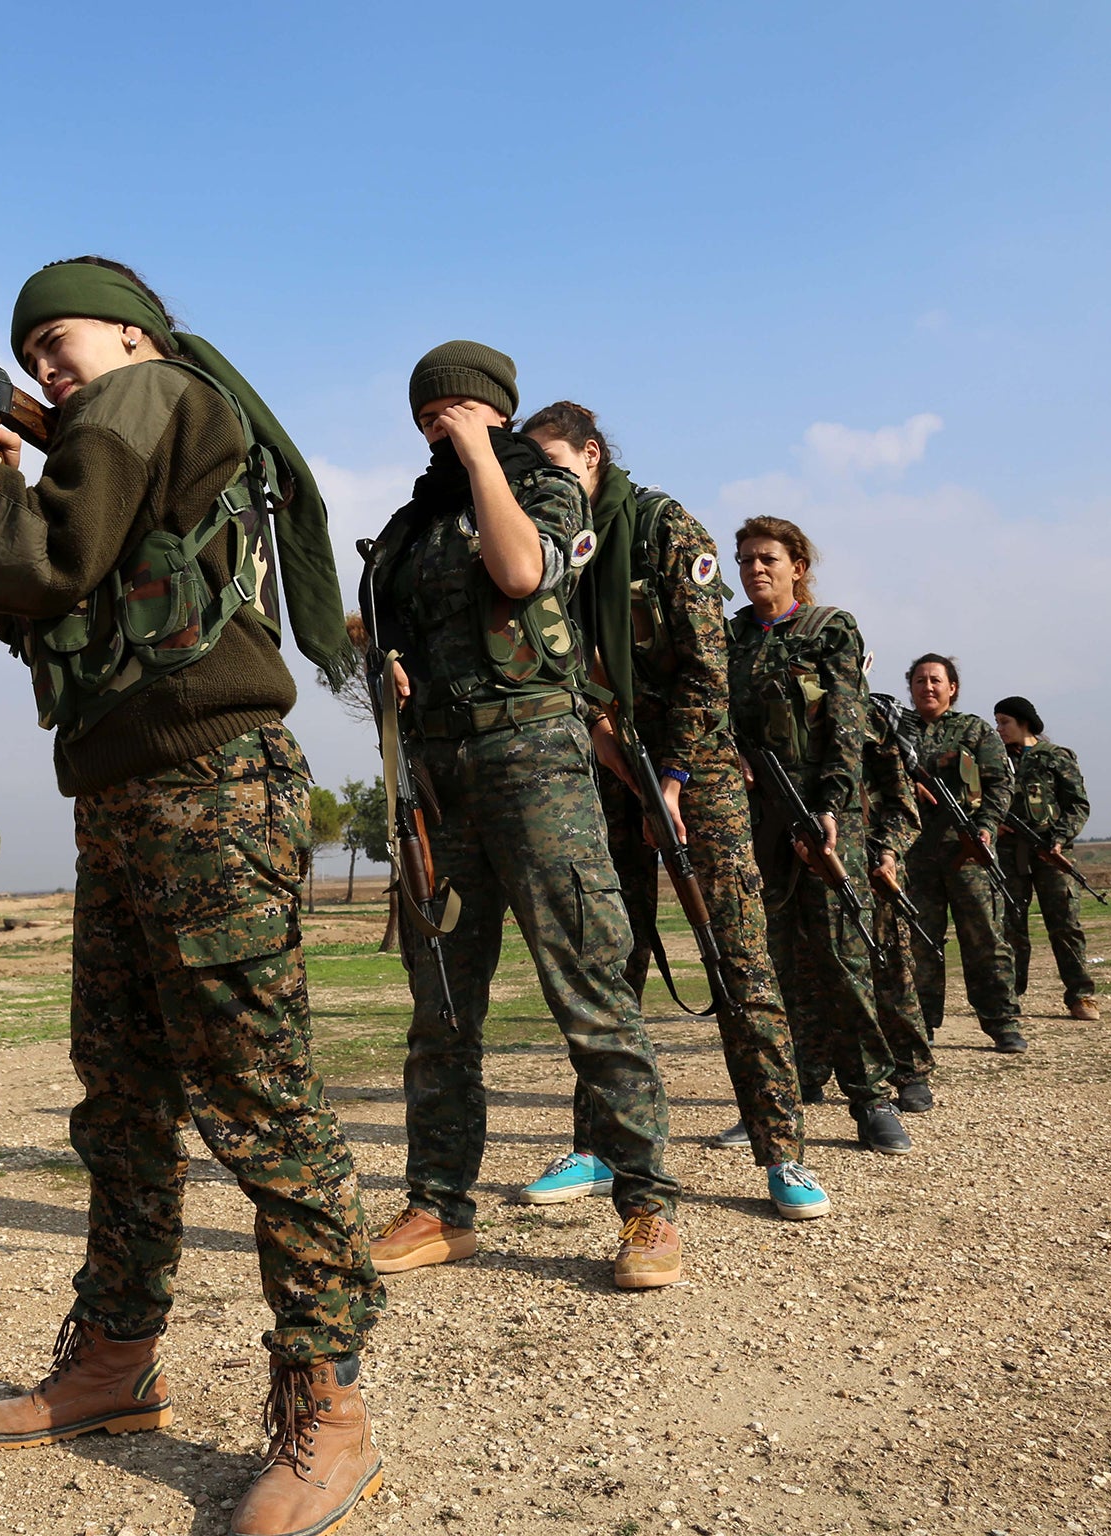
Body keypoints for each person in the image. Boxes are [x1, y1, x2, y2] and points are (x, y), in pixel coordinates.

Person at [0, 257, 384, 1536]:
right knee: (126, 1097)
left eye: (61, 334)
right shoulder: (120, 427)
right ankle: (115, 1363)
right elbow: (51, 606)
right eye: (27, 346)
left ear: (136, 333)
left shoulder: (146, 395)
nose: (45, 359)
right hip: (127, 794)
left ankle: (329, 1401)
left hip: (206, 785)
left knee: (260, 1104)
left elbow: (40, 564)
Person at [360, 345, 684, 1288]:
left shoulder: (544, 486)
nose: (439, 418)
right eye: (427, 409)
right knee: (442, 1007)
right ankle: (438, 1205)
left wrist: (484, 461)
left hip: (536, 765)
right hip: (439, 776)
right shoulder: (411, 522)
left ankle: (648, 1207)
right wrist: (390, 673)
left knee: (589, 989)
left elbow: (519, 574)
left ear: (496, 409)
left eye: (457, 405)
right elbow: (386, 631)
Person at [515, 402, 829, 1221]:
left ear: (592, 455)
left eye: (553, 465)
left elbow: (706, 668)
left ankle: (780, 1152)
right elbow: (549, 661)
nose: (542, 483)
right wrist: (600, 734)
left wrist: (677, 780)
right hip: (605, 769)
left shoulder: (663, 527)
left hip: (700, 775)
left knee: (738, 963)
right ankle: (597, 1146)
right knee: (603, 969)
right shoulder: (552, 543)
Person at [727, 518, 911, 1155]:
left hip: (824, 814)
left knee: (842, 954)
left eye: (769, 558)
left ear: (797, 566)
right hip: (758, 816)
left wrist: (831, 805)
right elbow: (713, 713)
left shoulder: (830, 627)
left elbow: (846, 722)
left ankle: (872, 1098)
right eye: (746, 559)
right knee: (766, 964)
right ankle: (777, 1101)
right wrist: (733, 757)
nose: (755, 569)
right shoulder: (733, 637)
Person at [901, 655, 1025, 1053]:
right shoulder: (897, 732)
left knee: (985, 938)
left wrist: (986, 827)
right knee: (920, 941)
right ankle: (923, 1023)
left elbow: (1001, 784)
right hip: (914, 854)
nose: (928, 687)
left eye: (936, 680)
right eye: (920, 681)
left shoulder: (974, 730)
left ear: (952, 687)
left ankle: (1002, 1021)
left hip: (968, 850)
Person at [993, 696, 1098, 1021]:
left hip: (1052, 853)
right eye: (997, 722)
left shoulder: (1056, 758)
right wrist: (992, 823)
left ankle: (1081, 996)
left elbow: (1078, 804)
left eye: (1004, 722)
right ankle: (1009, 1000)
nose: (999, 729)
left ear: (1024, 722)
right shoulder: (994, 759)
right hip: (1010, 855)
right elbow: (977, 798)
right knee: (1011, 927)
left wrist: (1060, 837)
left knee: (1065, 925)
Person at [864, 692, 936, 1112]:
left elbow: (902, 805)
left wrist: (889, 854)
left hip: (874, 861)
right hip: (802, 859)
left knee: (892, 967)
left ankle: (910, 1070)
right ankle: (811, 1069)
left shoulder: (871, 720)